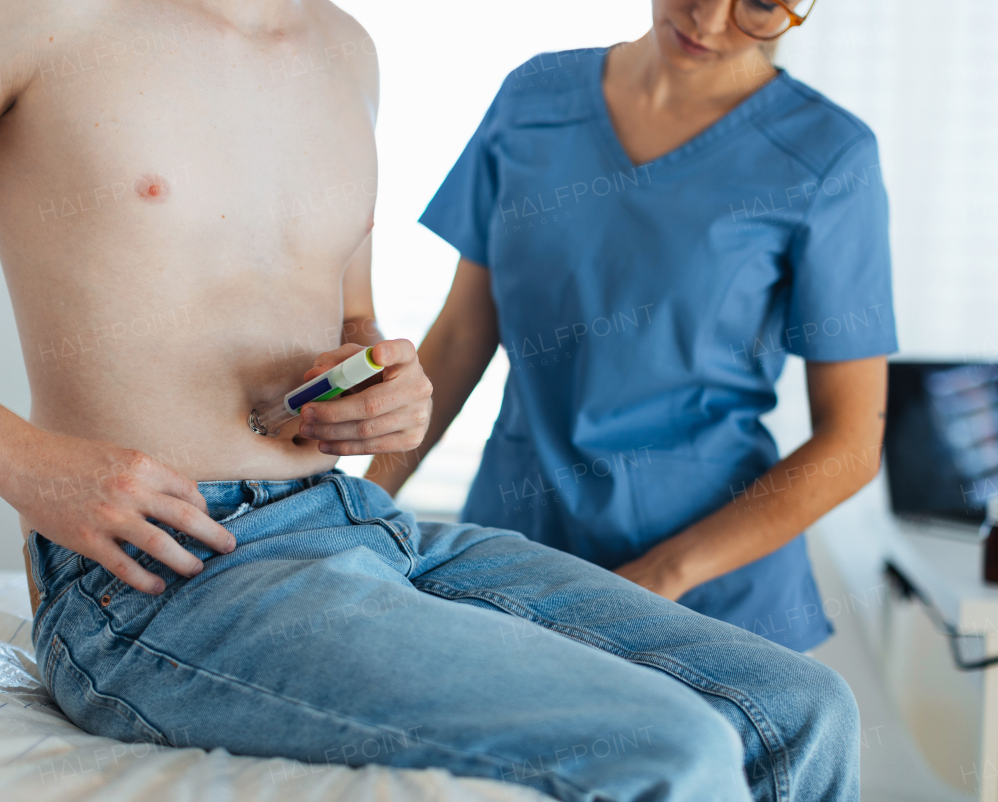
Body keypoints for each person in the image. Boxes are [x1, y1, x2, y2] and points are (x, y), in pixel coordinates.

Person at [0, 0, 860, 802]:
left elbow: (350, 330)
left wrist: (386, 384)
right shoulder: (25, 12)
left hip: (353, 520)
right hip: (170, 574)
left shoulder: (345, 52)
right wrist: (21, 463)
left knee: (801, 716)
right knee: (668, 756)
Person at [369, 0, 896, 653]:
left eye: (758, 3)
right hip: (515, 558)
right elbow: (459, 338)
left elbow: (851, 441)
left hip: (706, 601)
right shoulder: (533, 98)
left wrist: (662, 574)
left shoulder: (826, 157)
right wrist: (358, 511)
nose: (706, 18)